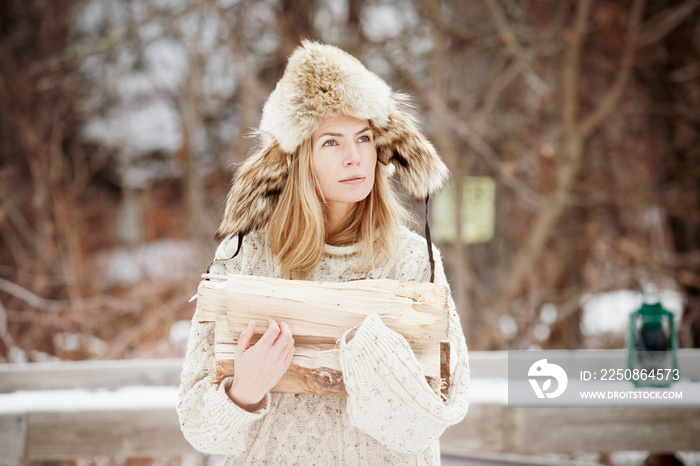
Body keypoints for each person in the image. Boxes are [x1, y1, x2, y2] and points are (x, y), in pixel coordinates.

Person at [177, 40, 470, 465]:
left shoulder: (410, 259)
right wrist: (244, 391)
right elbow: (197, 425)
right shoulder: (246, 257)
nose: (355, 158)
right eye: (331, 142)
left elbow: (438, 413)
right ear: (299, 160)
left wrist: (365, 353)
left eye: (364, 138)